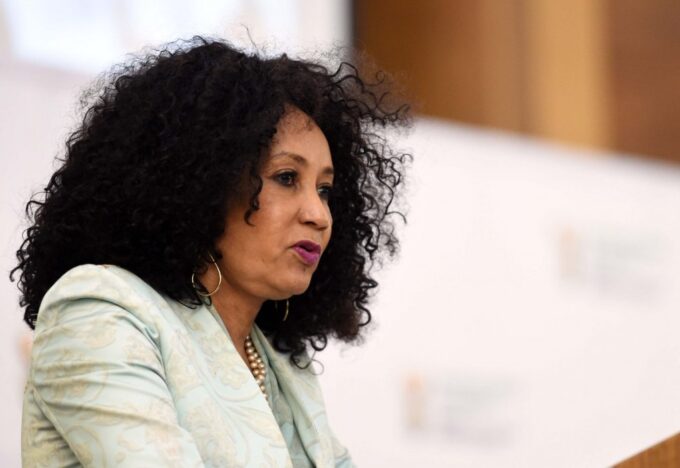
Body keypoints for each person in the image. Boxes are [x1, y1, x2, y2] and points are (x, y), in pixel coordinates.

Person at [12, 36, 410, 467]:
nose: (318, 215)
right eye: (286, 178)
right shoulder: (99, 312)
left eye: (325, 190)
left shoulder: (280, 361)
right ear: (203, 184)